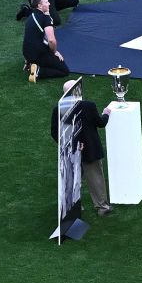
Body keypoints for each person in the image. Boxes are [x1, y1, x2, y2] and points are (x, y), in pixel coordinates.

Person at [52, 78, 112, 216]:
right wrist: (106, 114)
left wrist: (71, 145)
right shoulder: (89, 106)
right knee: (96, 179)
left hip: (71, 152)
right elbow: (101, 123)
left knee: (73, 181)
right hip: (90, 150)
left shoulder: (58, 109)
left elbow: (55, 133)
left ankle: (75, 208)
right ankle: (102, 207)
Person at [24, 0, 70, 80]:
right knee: (64, 70)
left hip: (27, 54)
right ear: (40, 5)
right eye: (46, 2)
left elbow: (30, 37)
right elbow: (52, 40)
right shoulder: (45, 19)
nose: (49, 3)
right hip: (37, 55)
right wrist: (55, 52)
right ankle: (39, 72)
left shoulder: (31, 16)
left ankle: (30, 63)